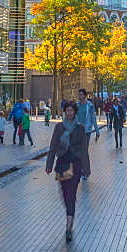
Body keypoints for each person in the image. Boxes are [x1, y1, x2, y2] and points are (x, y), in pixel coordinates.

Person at [45, 100, 88, 242]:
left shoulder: (80, 128)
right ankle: (70, 212)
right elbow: (53, 146)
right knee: (65, 194)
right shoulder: (59, 127)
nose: (69, 113)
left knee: (71, 194)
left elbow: (84, 149)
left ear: (75, 112)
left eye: (71, 110)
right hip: (63, 163)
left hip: (75, 163)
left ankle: (68, 228)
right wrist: (49, 164)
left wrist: (86, 168)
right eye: (67, 111)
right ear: (64, 112)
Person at [77, 88, 99, 176]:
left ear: (85, 96)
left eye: (81, 95)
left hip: (86, 130)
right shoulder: (77, 105)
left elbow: (93, 118)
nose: (79, 96)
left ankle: (85, 170)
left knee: (84, 150)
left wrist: (97, 130)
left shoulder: (89, 105)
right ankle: (79, 168)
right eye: (79, 94)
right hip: (77, 130)